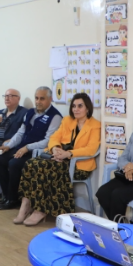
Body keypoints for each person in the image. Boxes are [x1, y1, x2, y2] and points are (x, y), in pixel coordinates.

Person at [14, 93, 101, 226]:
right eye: (74, 106)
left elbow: (91, 149)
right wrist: (55, 148)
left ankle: (40, 210)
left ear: (87, 108)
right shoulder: (67, 120)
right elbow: (54, 137)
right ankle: (26, 205)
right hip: (59, 156)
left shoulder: (95, 125)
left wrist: (68, 154)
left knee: (45, 167)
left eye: (80, 106)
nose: (76, 109)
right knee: (31, 163)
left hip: (78, 164)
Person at [0, 86, 63, 210]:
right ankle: (7, 196)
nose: (38, 101)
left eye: (42, 98)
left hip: (36, 151)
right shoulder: (30, 112)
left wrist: (27, 147)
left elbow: (48, 141)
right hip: (22, 147)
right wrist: (8, 146)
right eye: (36, 98)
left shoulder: (55, 117)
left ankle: (13, 199)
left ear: (50, 99)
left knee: (14, 164)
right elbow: (21, 132)